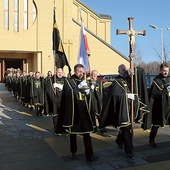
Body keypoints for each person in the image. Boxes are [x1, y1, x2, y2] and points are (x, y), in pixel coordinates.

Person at [56, 64, 97, 162]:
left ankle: (89, 155)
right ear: (75, 71)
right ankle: (73, 151)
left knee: (87, 134)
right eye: (79, 71)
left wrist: (88, 93)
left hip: (84, 112)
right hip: (74, 113)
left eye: (82, 72)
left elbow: (90, 98)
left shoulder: (86, 81)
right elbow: (66, 95)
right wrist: (77, 88)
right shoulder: (69, 81)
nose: (81, 74)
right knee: (73, 134)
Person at [149, 63, 170, 147]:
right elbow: (154, 94)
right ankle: (151, 139)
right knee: (156, 124)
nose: (166, 73)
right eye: (164, 71)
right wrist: (164, 92)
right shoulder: (156, 81)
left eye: (167, 71)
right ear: (160, 70)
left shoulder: (169, 79)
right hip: (160, 107)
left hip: (169, 105)